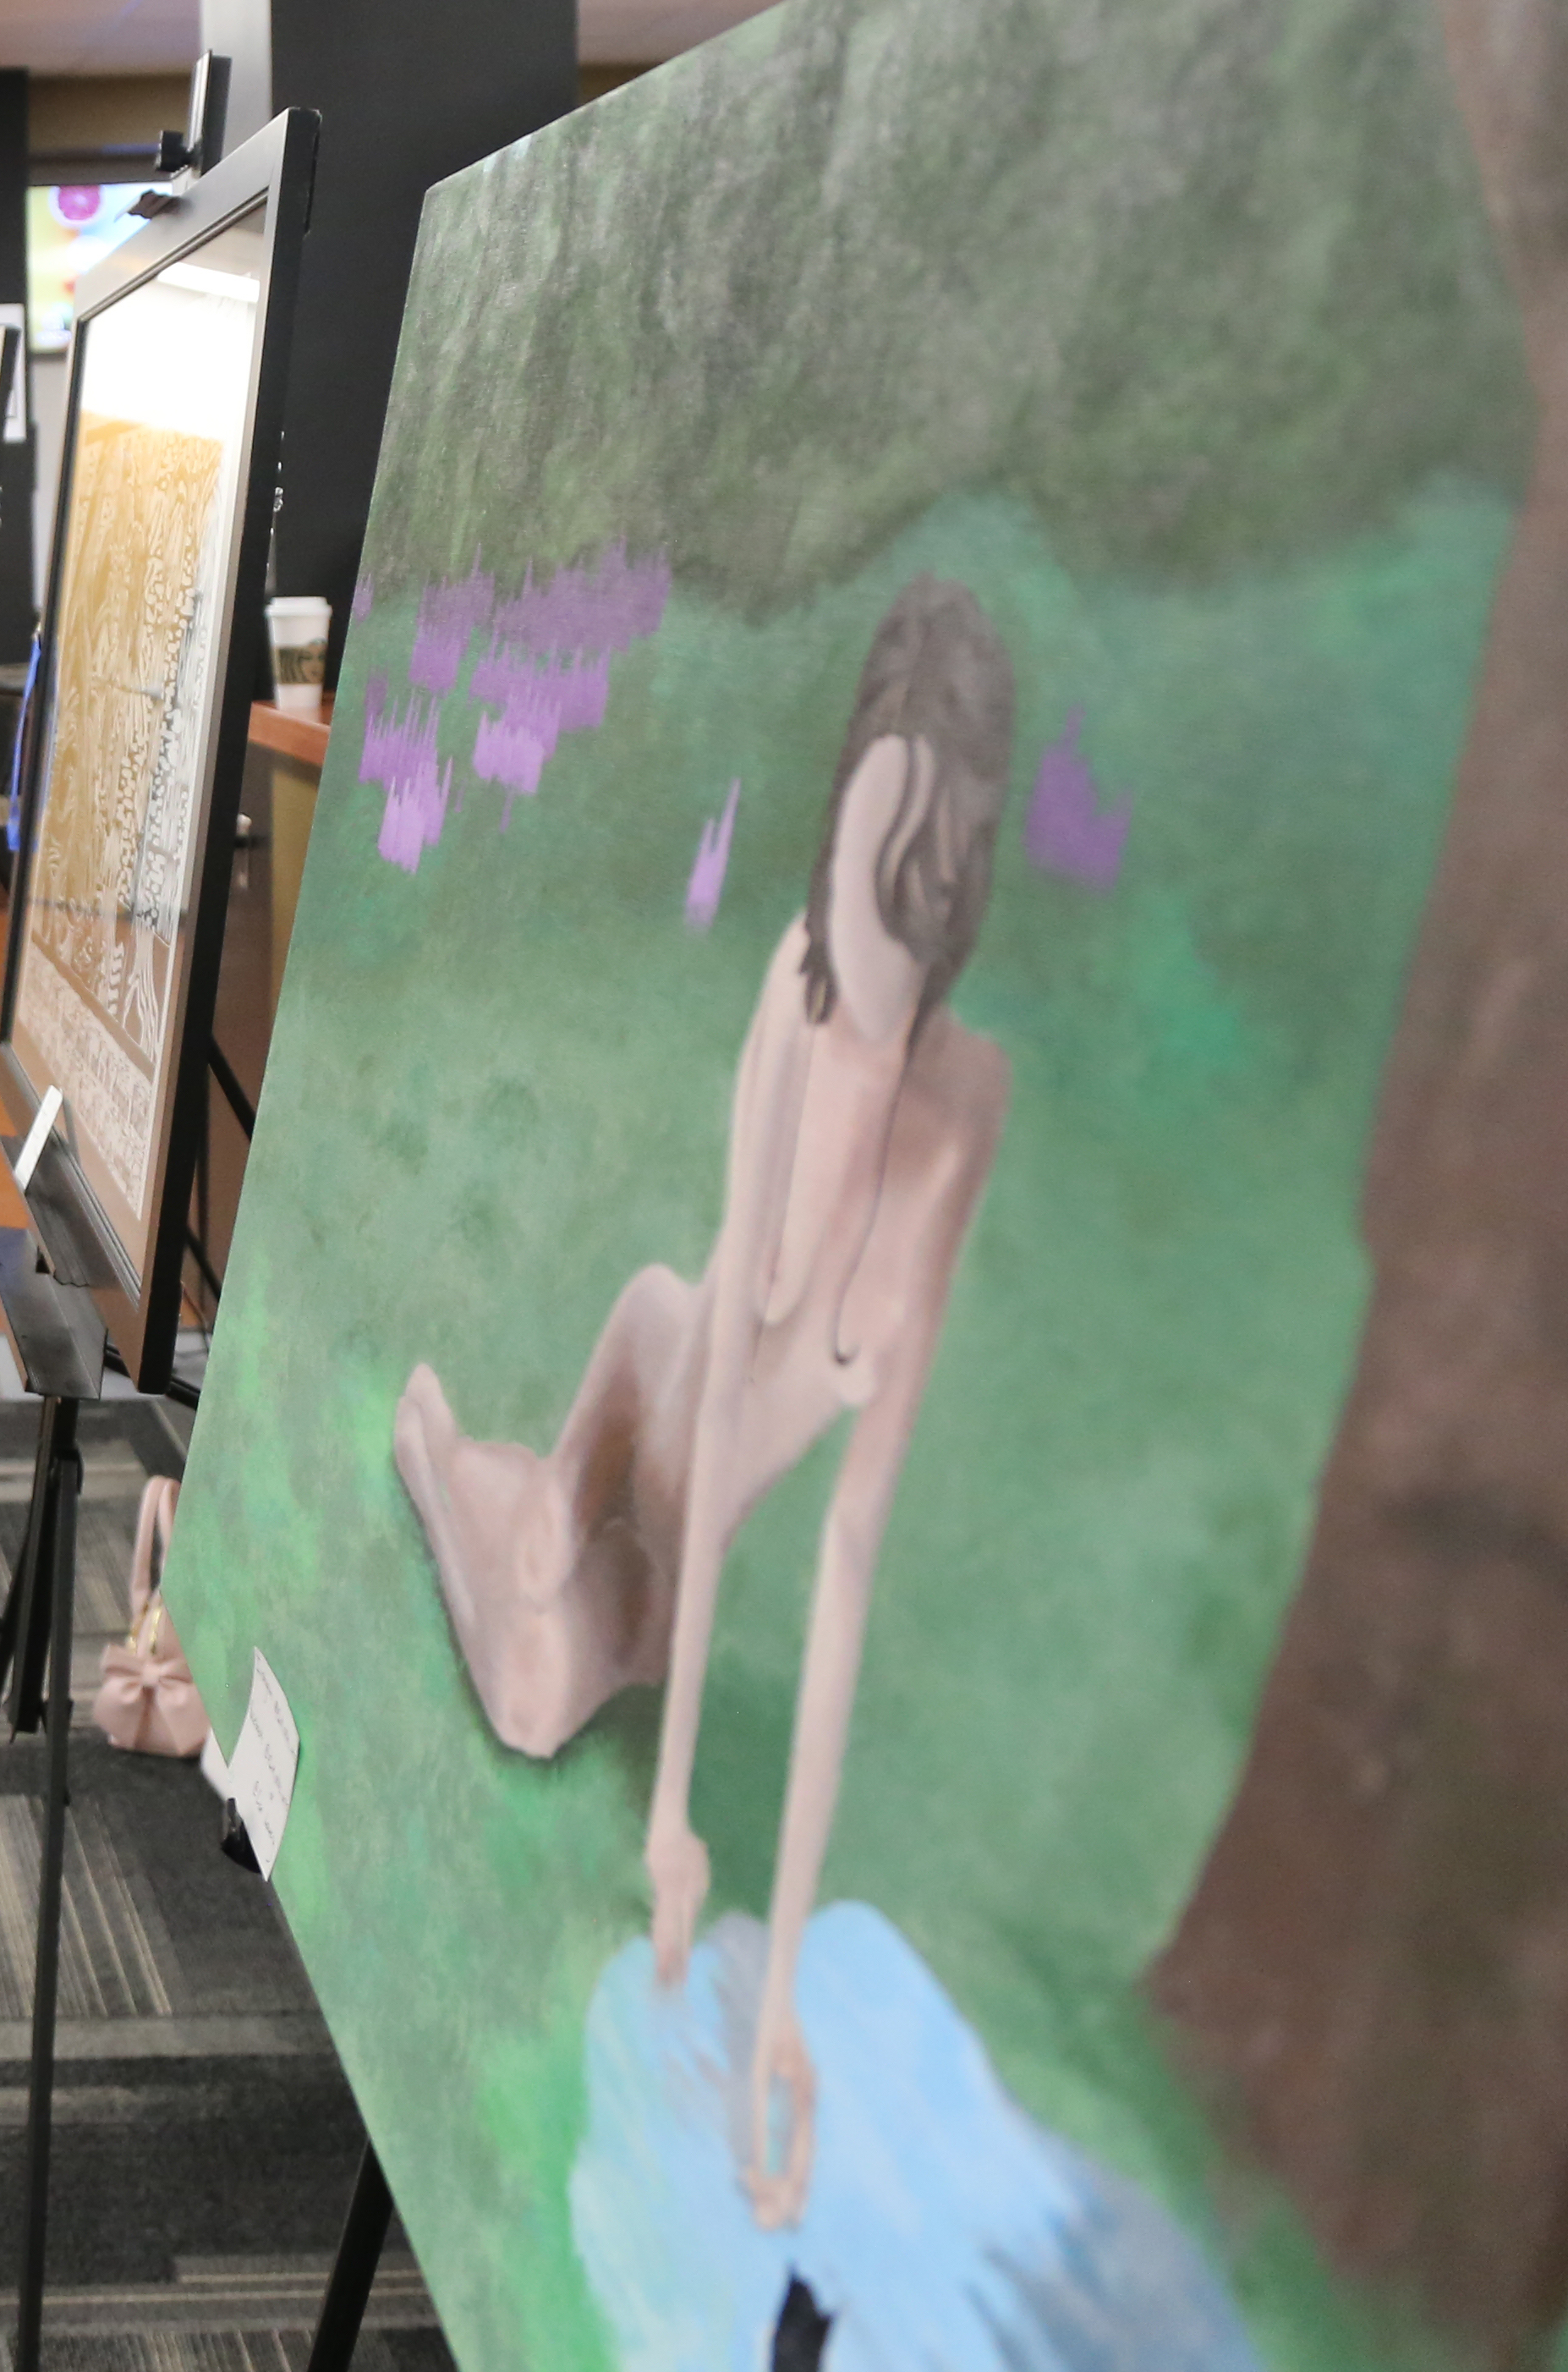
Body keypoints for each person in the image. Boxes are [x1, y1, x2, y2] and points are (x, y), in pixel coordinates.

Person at [391, 574, 1017, 2225]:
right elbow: (737, 1331)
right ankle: (445, 1446)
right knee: (535, 1659)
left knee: (559, 1678)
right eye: (872, 861)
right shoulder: (800, 977)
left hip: (692, 1540)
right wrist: (668, 1814)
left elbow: (850, 1561)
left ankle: (517, 1505)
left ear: (964, 872)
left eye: (927, 871)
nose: (885, 925)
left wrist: (787, 1972)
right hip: (649, 1382)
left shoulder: (962, 1116)